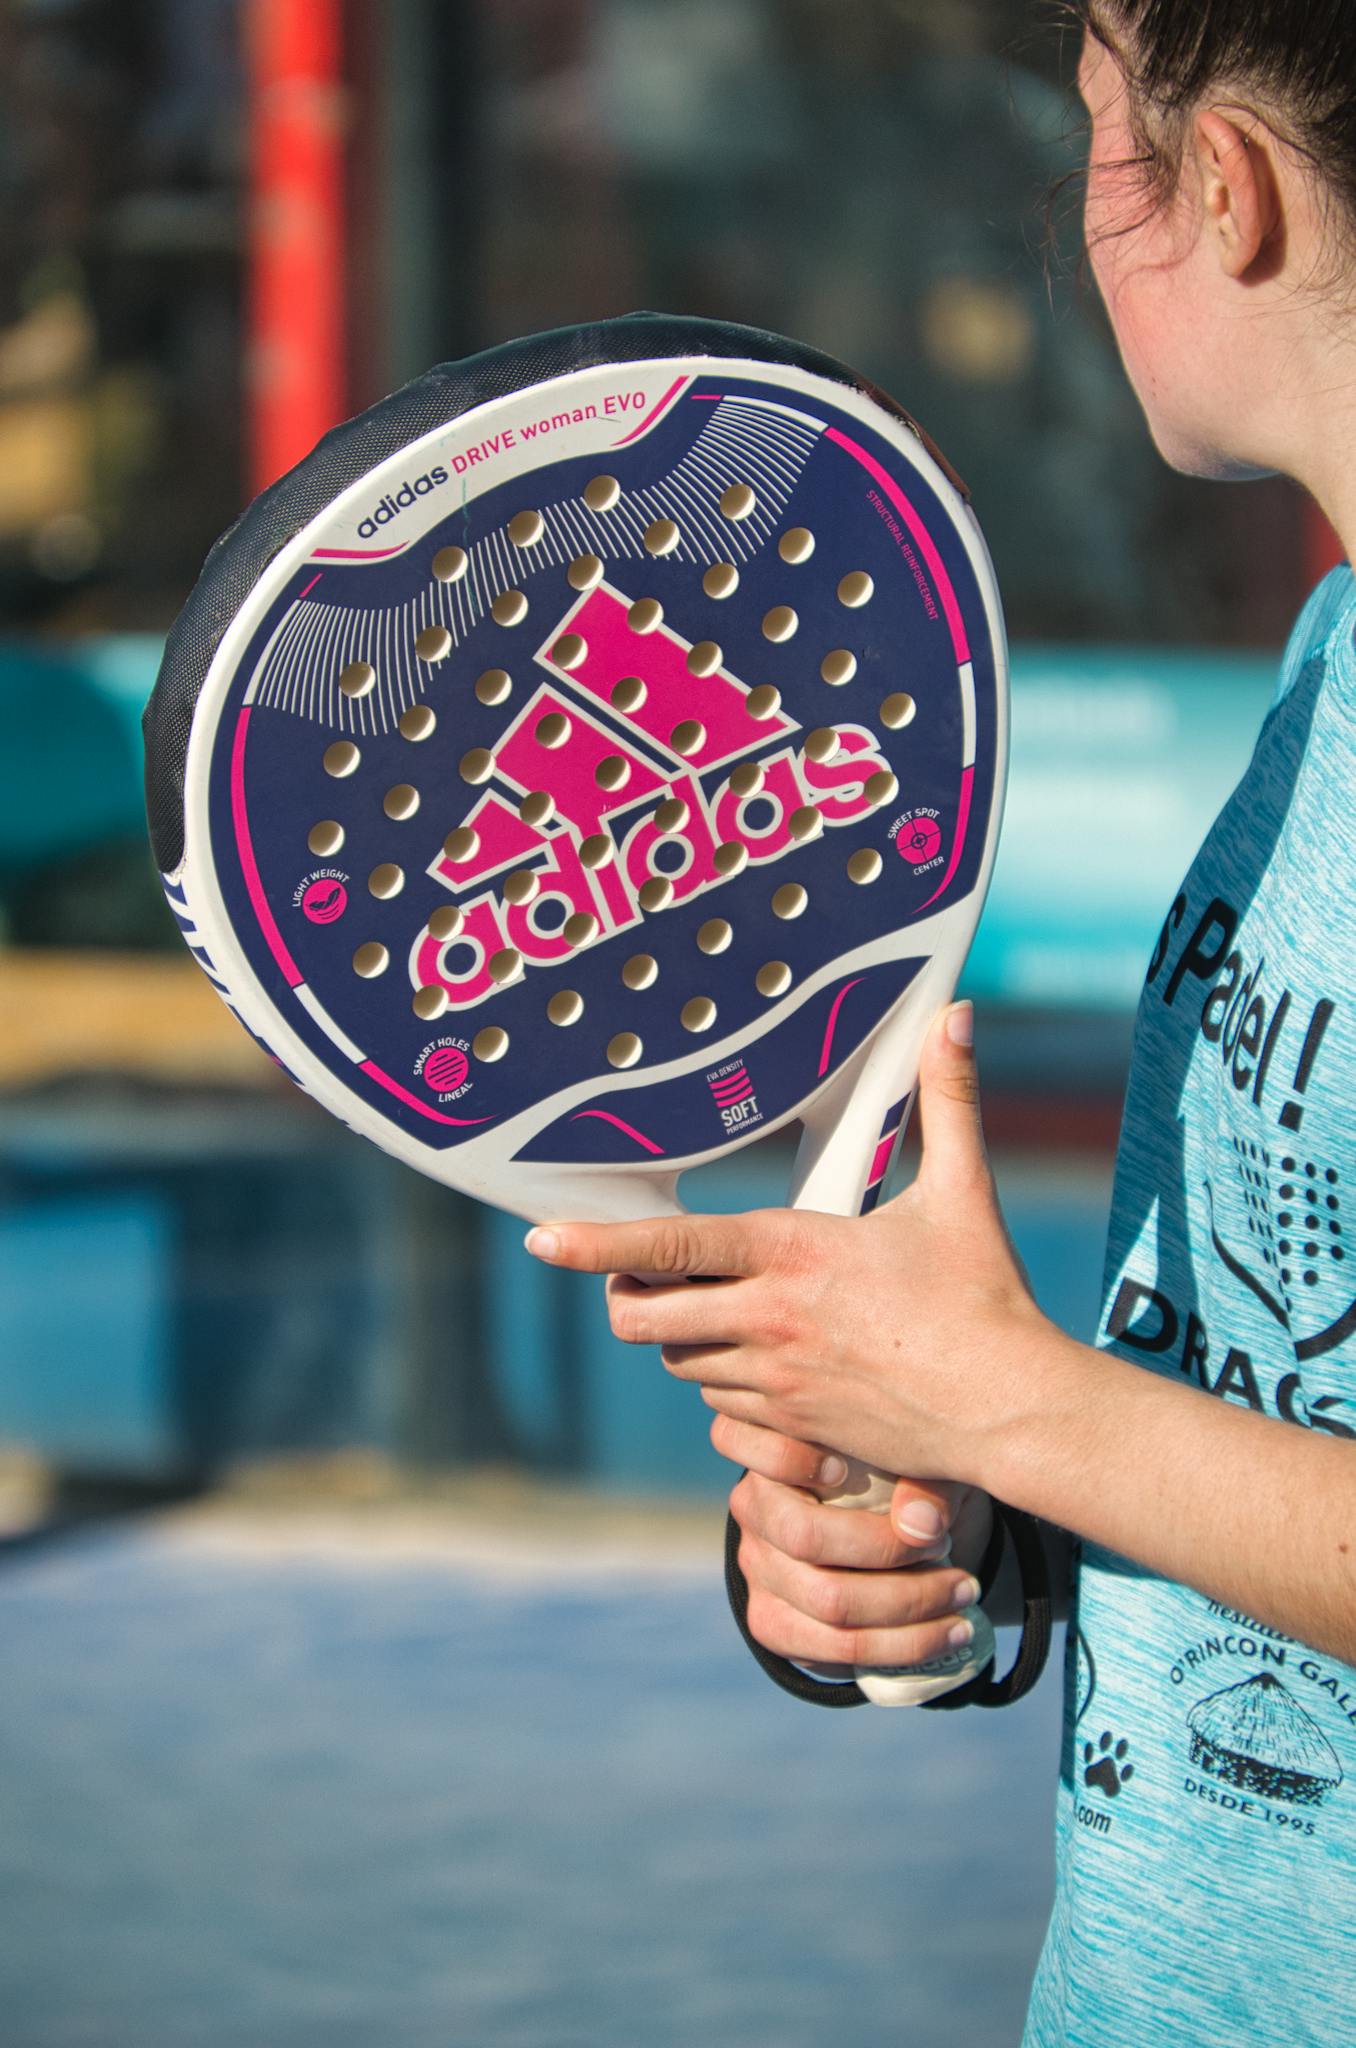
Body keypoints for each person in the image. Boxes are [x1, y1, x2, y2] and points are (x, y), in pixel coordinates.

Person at [527, 2, 1356, 2039]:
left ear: (1221, 186)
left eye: (1093, 126)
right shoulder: (1334, 648)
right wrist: (984, 1519)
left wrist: (1009, 1405)